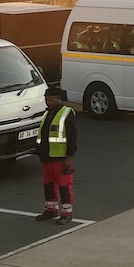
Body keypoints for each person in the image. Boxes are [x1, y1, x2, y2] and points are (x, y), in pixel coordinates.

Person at [36, 87, 78, 225]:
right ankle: (51, 209)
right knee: (48, 184)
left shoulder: (66, 113)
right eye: (46, 99)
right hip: (47, 156)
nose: (48, 101)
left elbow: (72, 137)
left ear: (58, 99)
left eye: (50, 99)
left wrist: (69, 156)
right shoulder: (47, 113)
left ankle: (66, 212)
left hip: (60, 157)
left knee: (64, 185)